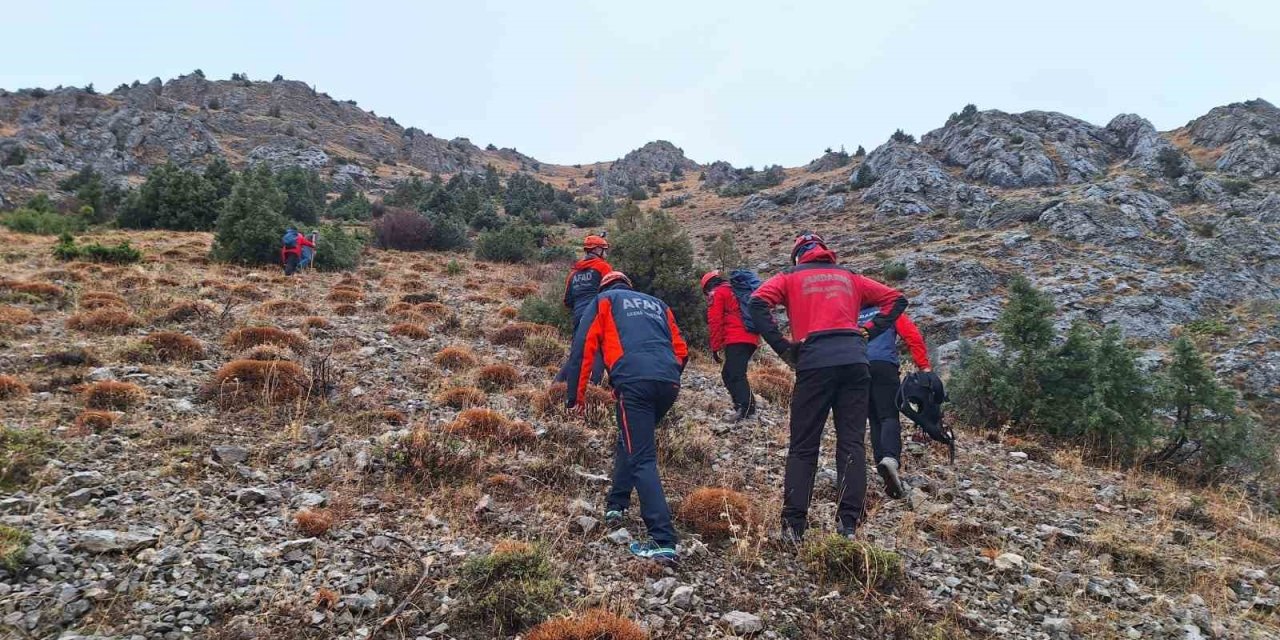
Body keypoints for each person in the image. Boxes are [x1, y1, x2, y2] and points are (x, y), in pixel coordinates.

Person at [748, 233, 907, 541]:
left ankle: (794, 526)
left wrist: (783, 347)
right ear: (825, 253)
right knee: (851, 443)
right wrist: (868, 331)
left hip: (815, 362)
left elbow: (756, 303)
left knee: (804, 445)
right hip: (855, 361)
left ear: (797, 256)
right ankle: (848, 525)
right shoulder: (850, 277)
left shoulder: (790, 276)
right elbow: (896, 299)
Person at [565, 271, 689, 563]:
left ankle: (662, 540)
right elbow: (682, 351)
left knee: (643, 457)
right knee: (632, 441)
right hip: (668, 382)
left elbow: (583, 348)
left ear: (605, 286)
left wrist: (575, 397)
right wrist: (663, 376)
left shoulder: (604, 300)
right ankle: (616, 504)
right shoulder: (658, 304)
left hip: (634, 382)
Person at [858, 305, 932, 499]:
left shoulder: (851, 312)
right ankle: (890, 459)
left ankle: (882, 469)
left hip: (856, 368)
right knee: (888, 416)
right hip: (884, 366)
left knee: (873, 419)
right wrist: (923, 367)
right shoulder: (888, 310)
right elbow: (912, 336)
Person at [701, 270, 760, 422]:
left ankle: (745, 409)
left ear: (708, 287)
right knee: (728, 373)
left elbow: (715, 322)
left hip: (736, 338)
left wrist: (715, 348)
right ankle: (744, 405)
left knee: (735, 373)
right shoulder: (736, 291)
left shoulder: (718, 293)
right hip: (750, 338)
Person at [554, 235, 612, 384]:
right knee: (599, 349)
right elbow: (612, 292)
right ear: (597, 250)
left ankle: (557, 386)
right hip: (597, 314)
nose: (606, 253)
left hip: (579, 317)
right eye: (605, 250)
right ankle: (593, 385)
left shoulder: (573, 273)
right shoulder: (603, 267)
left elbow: (567, 301)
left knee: (577, 353)